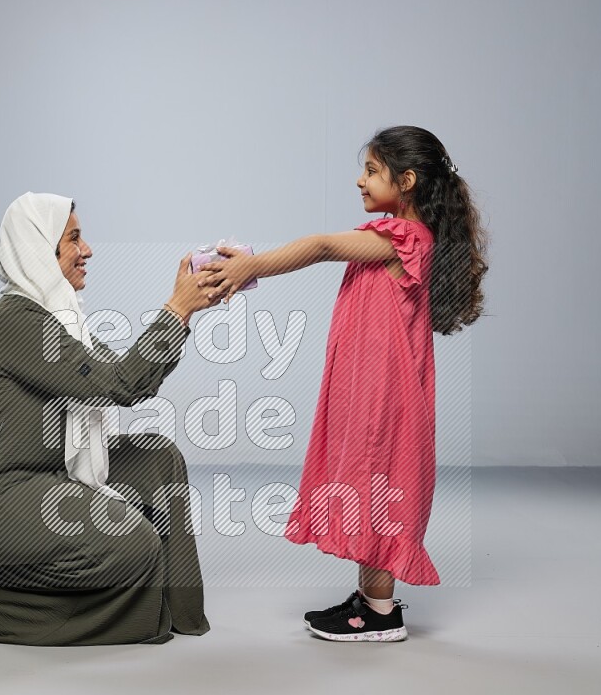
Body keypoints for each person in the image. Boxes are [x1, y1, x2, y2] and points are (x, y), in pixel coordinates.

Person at [199, 125, 489, 643]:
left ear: (406, 180)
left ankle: (380, 614)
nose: (360, 180)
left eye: (372, 171)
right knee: (366, 475)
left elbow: (320, 246)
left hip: (385, 391)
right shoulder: (399, 236)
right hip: (371, 384)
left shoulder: (403, 238)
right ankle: (370, 599)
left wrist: (253, 265)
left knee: (377, 478)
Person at [0, 192, 224, 646]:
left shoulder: (63, 321)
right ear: (40, 250)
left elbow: (126, 376)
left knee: (158, 458)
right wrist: (177, 309)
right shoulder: (15, 322)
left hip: (43, 475)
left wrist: (185, 314)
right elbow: (121, 384)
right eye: (74, 238)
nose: (87, 249)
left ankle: (178, 612)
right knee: (135, 544)